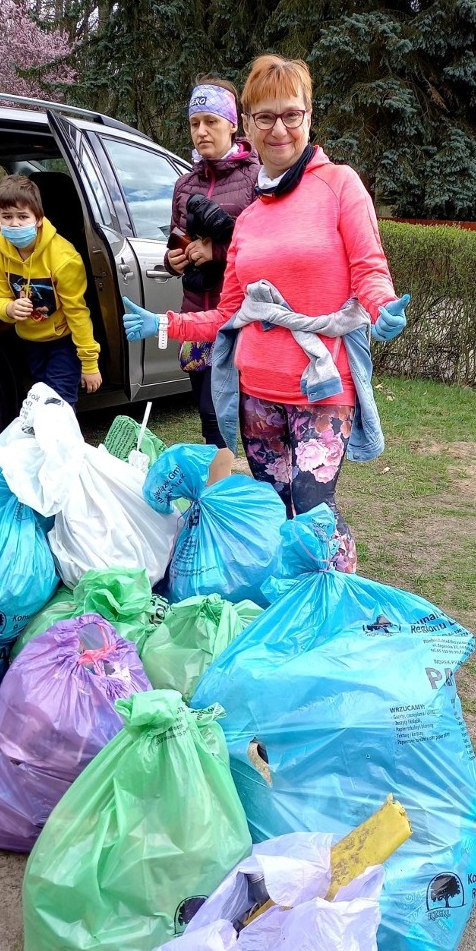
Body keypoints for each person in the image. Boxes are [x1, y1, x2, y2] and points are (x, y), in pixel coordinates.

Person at [123, 55, 409, 572]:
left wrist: (383, 305)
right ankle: (291, 607)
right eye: (266, 117)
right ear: (249, 127)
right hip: (258, 392)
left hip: (322, 388)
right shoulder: (250, 217)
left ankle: (335, 604)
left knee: (316, 513)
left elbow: (369, 267)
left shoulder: (340, 185)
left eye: (292, 115)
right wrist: (161, 323)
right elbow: (228, 313)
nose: (280, 128)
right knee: (276, 512)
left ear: (309, 117)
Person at [165, 77, 259, 446]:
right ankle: (221, 492)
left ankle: (237, 492)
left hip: (239, 320)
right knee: (208, 416)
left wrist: (215, 252)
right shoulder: (184, 184)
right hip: (196, 317)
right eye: (194, 123)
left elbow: (263, 248)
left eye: (211, 122)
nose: (201, 132)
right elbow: (176, 237)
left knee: (238, 417)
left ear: (232, 124)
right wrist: (175, 259)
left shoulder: (256, 178)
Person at [0, 174, 101, 406]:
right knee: (40, 395)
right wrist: (9, 308)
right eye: (7, 217)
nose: (15, 223)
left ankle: (64, 440)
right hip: (28, 339)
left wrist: (89, 364)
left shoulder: (64, 258)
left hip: (62, 338)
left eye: (22, 216)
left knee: (59, 401)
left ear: (38, 219)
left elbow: (77, 312)